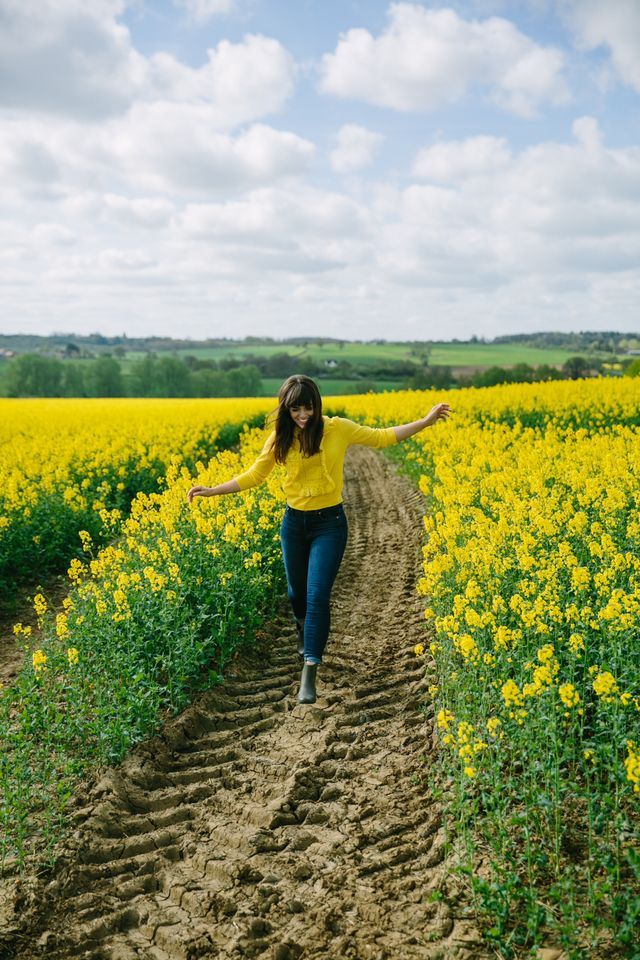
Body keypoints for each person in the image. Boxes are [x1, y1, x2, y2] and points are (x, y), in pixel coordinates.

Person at [187, 375, 451, 705]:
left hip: (330, 524)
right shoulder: (280, 437)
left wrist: (426, 422)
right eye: (295, 409)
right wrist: (213, 490)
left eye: (307, 408)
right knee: (296, 593)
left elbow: (382, 438)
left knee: (317, 595)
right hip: (294, 524)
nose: (302, 415)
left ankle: (309, 668)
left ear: (317, 405)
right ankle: (303, 627)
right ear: (286, 408)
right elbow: (255, 474)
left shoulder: (337, 428)